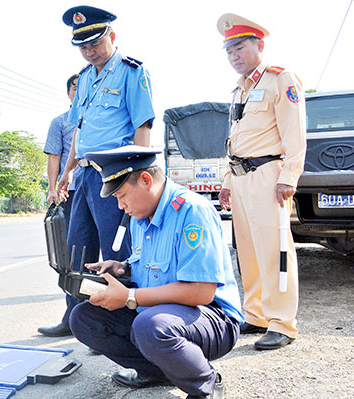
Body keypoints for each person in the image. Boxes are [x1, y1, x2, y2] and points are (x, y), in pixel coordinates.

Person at [69, 146, 243, 399]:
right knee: (84, 318)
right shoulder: (140, 217)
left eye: (122, 196)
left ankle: (206, 383)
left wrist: (130, 296)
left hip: (212, 318)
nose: (120, 205)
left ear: (146, 181)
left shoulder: (191, 211)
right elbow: (151, 265)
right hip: (161, 313)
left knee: (150, 326)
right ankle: (155, 371)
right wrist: (123, 267)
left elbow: (202, 292)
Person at [38, 5, 155, 337]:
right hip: (85, 177)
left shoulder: (133, 72)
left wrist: (137, 174)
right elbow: (79, 129)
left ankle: (117, 324)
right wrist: (66, 172)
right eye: (83, 46)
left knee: (116, 249)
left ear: (111, 36)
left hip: (116, 176)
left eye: (95, 43)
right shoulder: (85, 78)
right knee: (77, 248)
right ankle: (74, 317)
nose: (89, 51)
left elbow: (142, 125)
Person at [216, 13, 306, 350]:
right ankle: (256, 314)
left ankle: (282, 323)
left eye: (239, 47)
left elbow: (294, 135)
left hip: (269, 176)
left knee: (275, 250)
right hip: (240, 179)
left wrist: (288, 177)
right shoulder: (239, 89)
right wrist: (227, 180)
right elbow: (234, 138)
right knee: (248, 253)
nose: (234, 56)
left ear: (259, 45)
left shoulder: (281, 79)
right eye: (229, 51)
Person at [43, 73, 79, 232]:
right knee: (72, 237)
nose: (79, 93)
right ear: (68, 93)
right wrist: (52, 189)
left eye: (83, 88)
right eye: (75, 88)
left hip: (98, 186)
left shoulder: (98, 120)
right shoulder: (60, 122)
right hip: (69, 190)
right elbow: (54, 157)